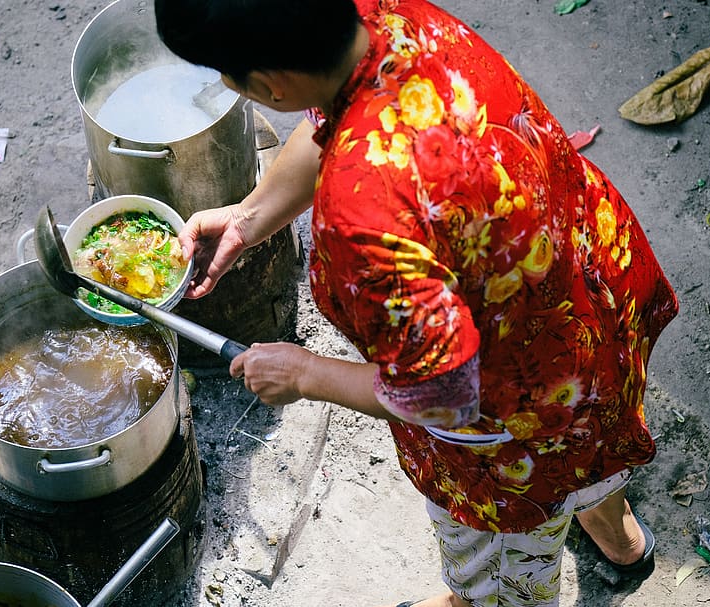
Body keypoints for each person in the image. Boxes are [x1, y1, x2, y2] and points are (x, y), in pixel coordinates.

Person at [154, 1, 679, 605]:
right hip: (586, 282)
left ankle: (483, 598)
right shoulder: (382, 15)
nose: (226, 84)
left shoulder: (361, 219)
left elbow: (443, 396)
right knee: (591, 447)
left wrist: (303, 372)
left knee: (505, 569)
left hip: (520, 408)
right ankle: (619, 540)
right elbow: (334, 113)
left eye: (227, 73)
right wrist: (249, 219)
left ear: (269, 85)